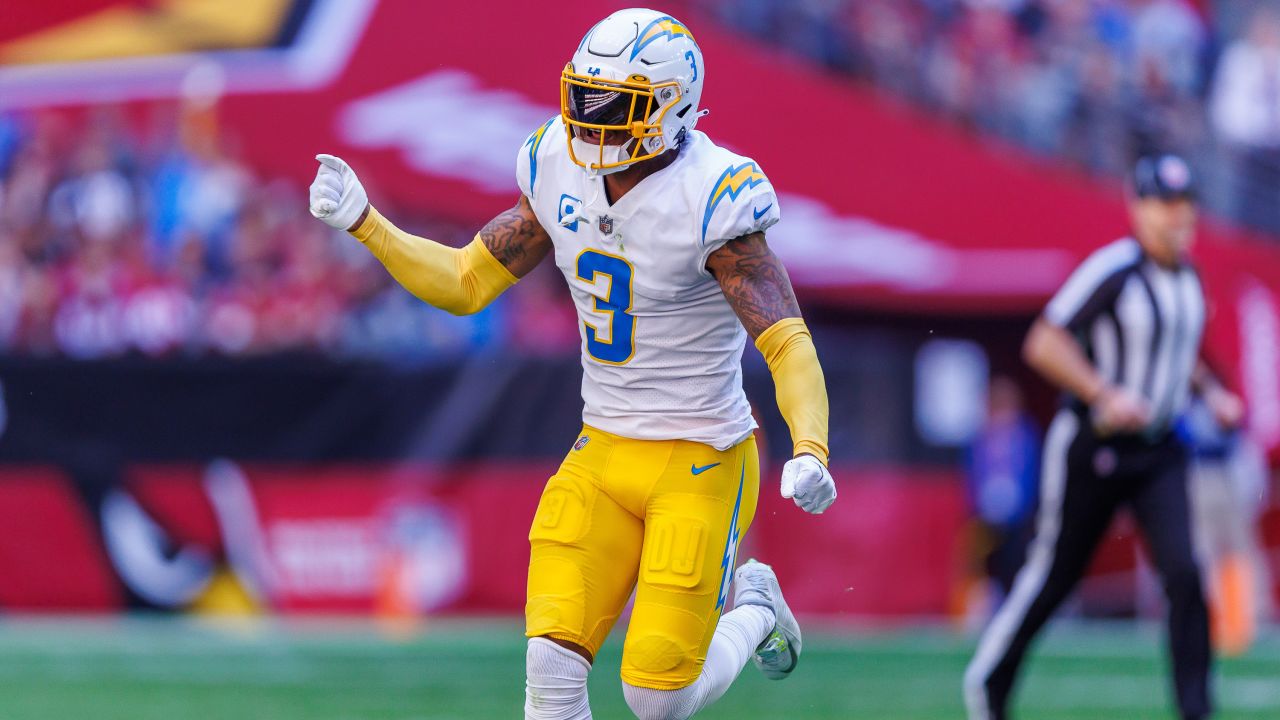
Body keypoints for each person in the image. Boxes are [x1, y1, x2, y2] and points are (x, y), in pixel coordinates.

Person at [307, 9, 837, 720]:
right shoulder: (556, 161)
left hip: (700, 458)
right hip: (604, 448)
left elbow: (786, 340)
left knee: (657, 700)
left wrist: (810, 447)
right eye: (583, 98)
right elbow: (468, 281)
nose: (590, 122)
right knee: (549, 676)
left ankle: (757, 610)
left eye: (614, 106)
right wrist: (367, 224)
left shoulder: (712, 195)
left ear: (670, 107)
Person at [963, 153, 1244, 720]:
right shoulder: (1114, 270)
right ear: (1138, 209)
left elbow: (1174, 353)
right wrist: (1103, 393)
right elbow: (1044, 342)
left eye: (1184, 203)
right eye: (1164, 204)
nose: (1177, 216)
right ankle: (988, 682)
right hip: (1094, 445)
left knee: (1185, 574)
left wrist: (1209, 392)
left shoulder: (1189, 276)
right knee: (1055, 575)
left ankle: (1197, 710)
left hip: (1161, 448)